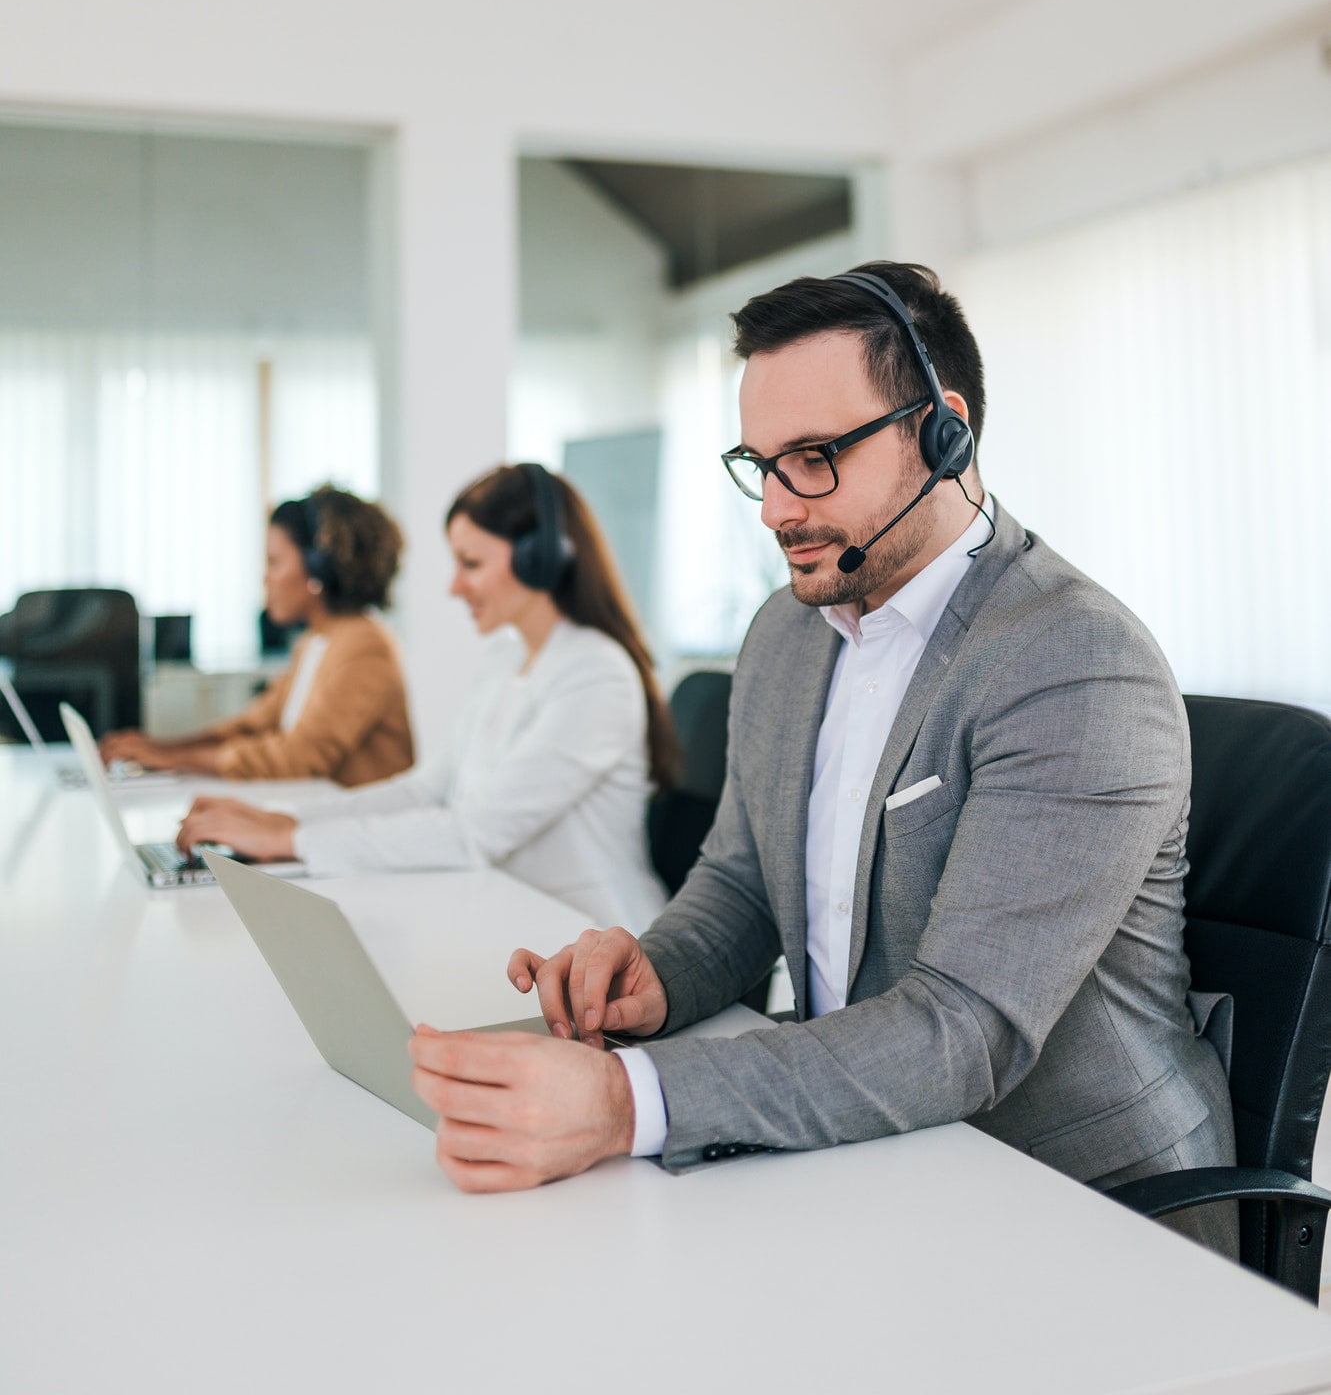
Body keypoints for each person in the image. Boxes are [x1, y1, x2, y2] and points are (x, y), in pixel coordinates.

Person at [406, 262, 1237, 1257]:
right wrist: (654, 971)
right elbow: (738, 887)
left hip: (1080, 1211)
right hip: (868, 1153)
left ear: (943, 429)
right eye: (757, 462)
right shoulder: (787, 633)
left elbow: (960, 1028)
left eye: (811, 456)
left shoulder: (1069, 661)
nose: (772, 506)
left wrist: (627, 1101)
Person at [175, 463, 674, 932]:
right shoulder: (507, 660)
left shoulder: (596, 675)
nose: (455, 587)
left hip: (594, 940)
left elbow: (472, 832)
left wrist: (290, 841)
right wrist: (286, 821)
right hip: (510, 920)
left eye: (471, 563)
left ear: (539, 560)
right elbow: (424, 790)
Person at [101, 486, 411, 786]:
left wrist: (175, 759)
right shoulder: (315, 641)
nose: (265, 577)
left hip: (357, 825)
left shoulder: (365, 645)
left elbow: (300, 757)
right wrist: (161, 748)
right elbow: (254, 725)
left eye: (274, 562)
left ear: (318, 570)